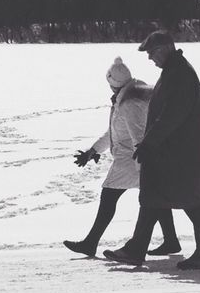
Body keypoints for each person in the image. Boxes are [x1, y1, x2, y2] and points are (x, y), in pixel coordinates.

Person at [104, 31, 200, 271]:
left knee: (191, 202)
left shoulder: (181, 75)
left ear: (166, 48)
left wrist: (148, 143)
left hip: (182, 154)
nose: (150, 58)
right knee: (153, 196)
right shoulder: (173, 72)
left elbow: (171, 116)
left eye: (152, 52)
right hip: (172, 151)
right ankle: (137, 248)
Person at [64, 58, 180, 258]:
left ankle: (90, 243)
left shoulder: (128, 103)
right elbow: (115, 131)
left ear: (113, 83)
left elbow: (138, 137)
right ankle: (171, 240)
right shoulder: (133, 93)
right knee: (155, 199)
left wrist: (144, 168)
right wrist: (93, 151)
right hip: (140, 159)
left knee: (109, 197)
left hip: (132, 160)